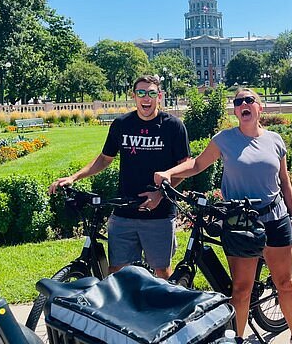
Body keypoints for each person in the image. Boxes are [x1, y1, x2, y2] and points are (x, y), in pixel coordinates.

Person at [153, 89, 292, 344]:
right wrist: (169, 172)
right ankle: (237, 339)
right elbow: (197, 164)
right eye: (238, 102)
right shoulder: (224, 140)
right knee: (241, 288)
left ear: (260, 108)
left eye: (249, 100)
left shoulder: (275, 140)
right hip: (240, 223)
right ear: (235, 110)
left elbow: (284, 180)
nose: (244, 104)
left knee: (284, 282)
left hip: (274, 218)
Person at [50, 75, 190, 279]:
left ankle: (160, 310)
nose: (146, 98)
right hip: (124, 211)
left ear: (159, 96)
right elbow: (105, 159)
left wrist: (160, 194)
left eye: (151, 93)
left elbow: (184, 166)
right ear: (134, 96)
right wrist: (74, 177)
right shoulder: (122, 124)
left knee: (162, 273)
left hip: (159, 214)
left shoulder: (173, 126)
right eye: (141, 93)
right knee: (116, 272)